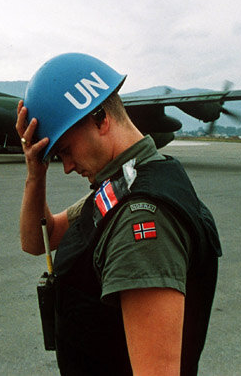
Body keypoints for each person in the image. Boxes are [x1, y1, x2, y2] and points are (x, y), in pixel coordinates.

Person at [16, 53, 222, 375]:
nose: (67, 167)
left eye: (66, 151)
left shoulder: (139, 218)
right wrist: (35, 172)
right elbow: (38, 238)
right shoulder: (130, 181)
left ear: (100, 119)